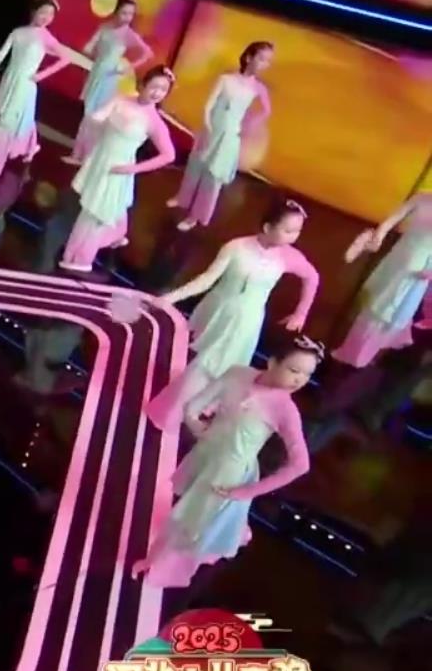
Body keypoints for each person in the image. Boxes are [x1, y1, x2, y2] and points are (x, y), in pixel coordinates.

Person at [131, 338, 319, 587]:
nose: (299, 380)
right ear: (273, 362)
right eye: (294, 370)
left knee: (190, 524)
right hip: (206, 454)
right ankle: (226, 534)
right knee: (189, 511)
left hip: (228, 473)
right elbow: (193, 406)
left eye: (307, 374)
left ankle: (159, 569)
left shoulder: (286, 410)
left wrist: (249, 491)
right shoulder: (238, 374)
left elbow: (300, 464)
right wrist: (196, 425)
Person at [146, 200, 318, 430]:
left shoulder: (289, 257)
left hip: (247, 320)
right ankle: (177, 412)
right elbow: (207, 279)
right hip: (219, 310)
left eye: (297, 231)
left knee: (221, 365)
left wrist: (301, 313)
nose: (293, 237)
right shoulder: (236, 247)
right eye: (288, 230)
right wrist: (172, 297)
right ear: (268, 227)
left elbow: (312, 278)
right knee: (207, 362)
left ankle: (184, 410)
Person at [58, 66, 178, 273]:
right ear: (143, 85)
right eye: (154, 86)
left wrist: (134, 168)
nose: (157, 93)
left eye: (163, 90)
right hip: (100, 159)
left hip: (118, 167)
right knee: (94, 209)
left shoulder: (154, 121)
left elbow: (169, 155)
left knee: (95, 214)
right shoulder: (122, 99)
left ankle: (80, 258)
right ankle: (99, 242)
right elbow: (97, 117)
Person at [169, 41, 274, 230]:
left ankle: (197, 216)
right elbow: (209, 104)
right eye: (261, 58)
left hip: (229, 134)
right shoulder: (226, 79)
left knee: (213, 175)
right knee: (195, 165)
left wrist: (249, 124)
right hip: (211, 128)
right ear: (248, 57)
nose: (264, 64)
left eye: (268, 61)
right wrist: (207, 124)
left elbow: (266, 111)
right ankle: (182, 198)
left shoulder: (258, 88)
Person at [0, 0, 75, 176]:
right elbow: (1, 54)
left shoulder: (46, 37)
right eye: (43, 12)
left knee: (5, 122)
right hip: (10, 79)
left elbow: (66, 58)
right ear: (34, 11)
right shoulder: (18, 32)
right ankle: (31, 147)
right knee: (23, 120)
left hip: (25, 84)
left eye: (51, 14)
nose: (46, 17)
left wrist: (41, 75)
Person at [334, 193, 432, 367]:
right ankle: (350, 353)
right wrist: (379, 235)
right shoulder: (421, 198)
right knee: (374, 306)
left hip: (420, 270)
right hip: (399, 258)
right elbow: (391, 220)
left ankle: (363, 358)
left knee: (391, 313)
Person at [63, 0, 153, 165]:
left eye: (131, 14)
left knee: (97, 116)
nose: (127, 17)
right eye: (124, 13)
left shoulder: (128, 34)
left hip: (111, 76)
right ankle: (78, 154)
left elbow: (147, 53)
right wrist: (88, 49)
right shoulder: (104, 27)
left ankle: (87, 156)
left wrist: (128, 66)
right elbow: (90, 47)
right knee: (88, 113)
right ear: (115, 11)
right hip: (97, 72)